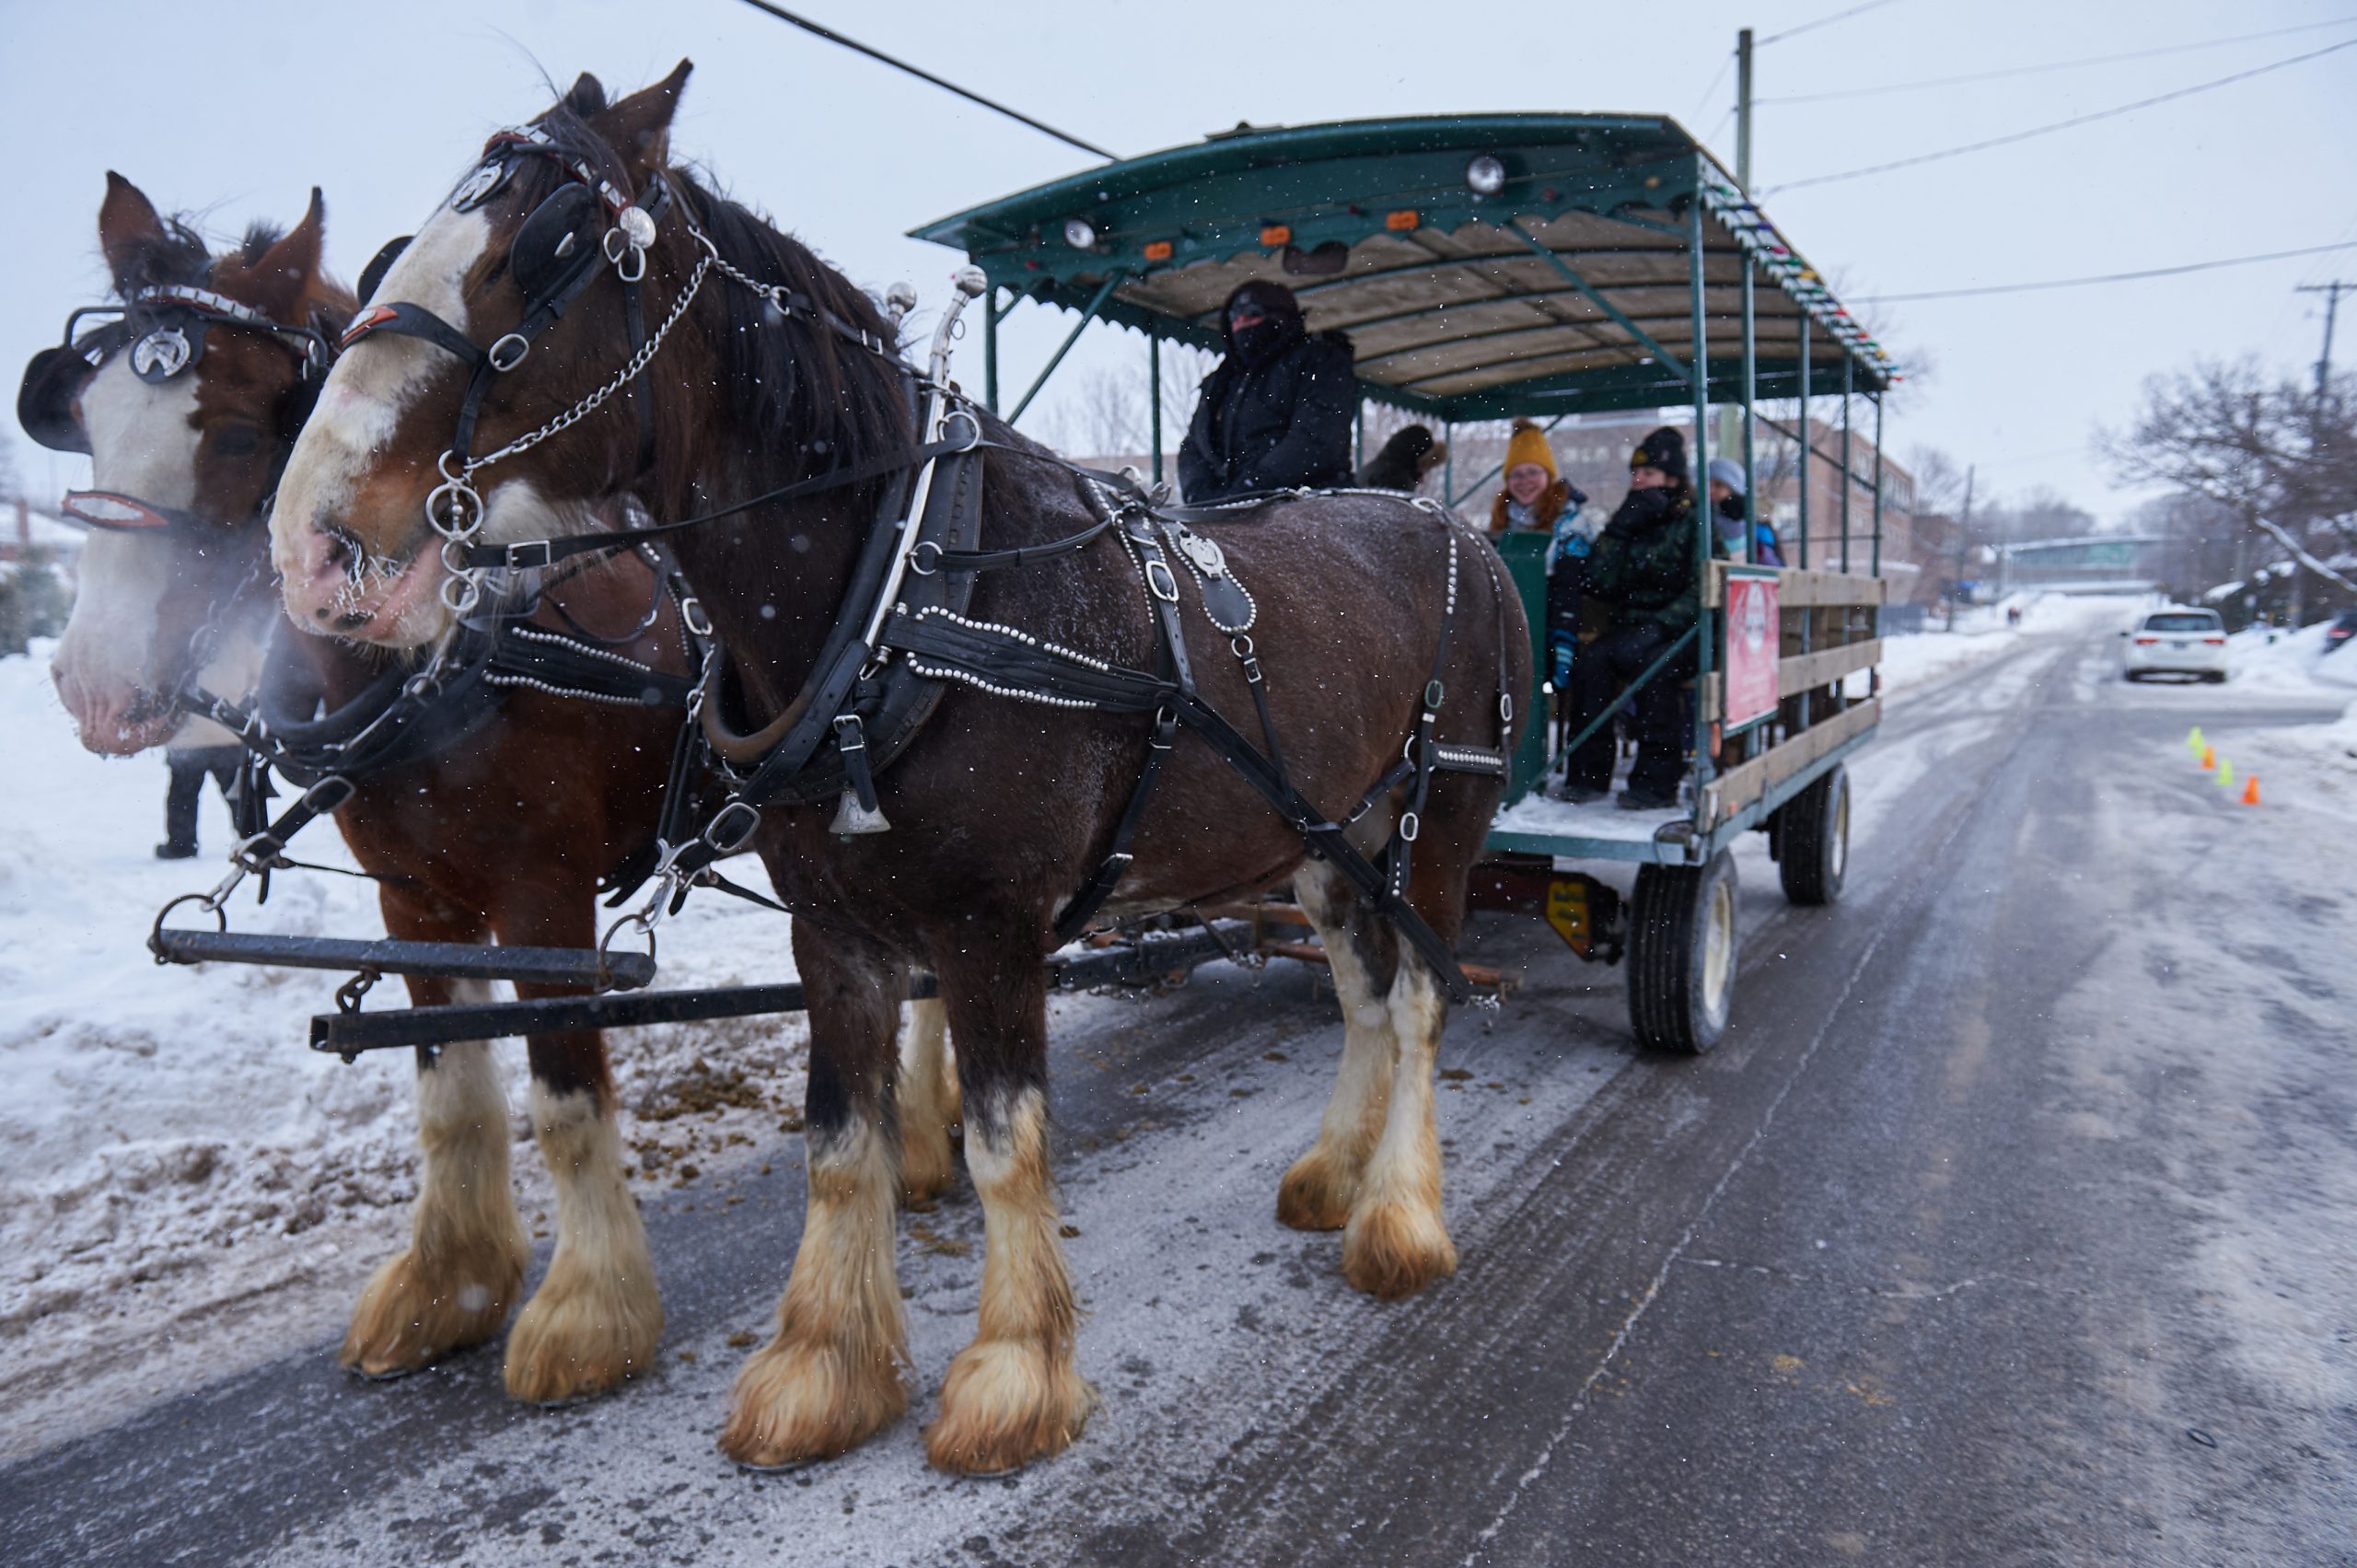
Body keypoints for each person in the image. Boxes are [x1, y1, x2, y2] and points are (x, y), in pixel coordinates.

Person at [1559, 425, 1719, 810]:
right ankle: (1587, 776)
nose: (1638, 480)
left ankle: (1656, 782)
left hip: (1688, 629)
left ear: (1672, 479)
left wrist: (1661, 624)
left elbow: (1704, 588)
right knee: (1591, 663)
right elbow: (1599, 582)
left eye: (1647, 474)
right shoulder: (1633, 519)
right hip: (1633, 627)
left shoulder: (1697, 521)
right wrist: (1617, 531)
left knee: (1654, 669)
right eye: (1635, 473)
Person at [1178, 280, 1356, 503]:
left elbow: (1318, 436)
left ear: (1280, 319)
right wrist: (1198, 489)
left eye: (1253, 313)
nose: (1241, 321)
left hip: (1309, 500)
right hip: (1230, 508)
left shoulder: (1319, 362)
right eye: (1234, 315)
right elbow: (1194, 442)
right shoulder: (1221, 380)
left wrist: (1255, 484)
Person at [1486, 419, 1592, 693]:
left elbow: (1569, 584)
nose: (1524, 482)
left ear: (1548, 476)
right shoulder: (1502, 520)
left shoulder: (1570, 522)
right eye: (1516, 475)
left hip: (1548, 622)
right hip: (1507, 620)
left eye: (1533, 472)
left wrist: (1562, 635)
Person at [155, 626, 264, 859]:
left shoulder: (181, 636)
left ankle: (181, 844)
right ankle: (253, 837)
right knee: (237, 792)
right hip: (228, 732)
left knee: (183, 795)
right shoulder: (237, 635)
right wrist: (239, 703)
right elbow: (258, 676)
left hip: (187, 735)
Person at [1706, 458, 1784, 566]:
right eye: (1707, 484)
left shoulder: (1757, 526)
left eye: (1719, 485)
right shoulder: (1699, 520)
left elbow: (1773, 568)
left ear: (1734, 489)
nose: (1711, 490)